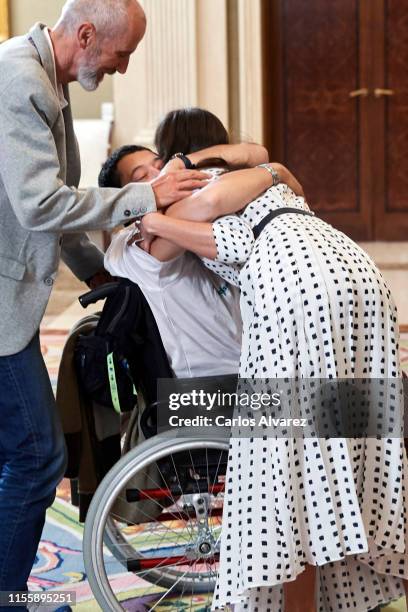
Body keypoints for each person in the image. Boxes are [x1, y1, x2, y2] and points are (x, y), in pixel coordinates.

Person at [134, 108, 408, 612]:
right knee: (362, 439)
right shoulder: (257, 176)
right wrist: (267, 171)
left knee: (291, 470)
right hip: (356, 272)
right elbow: (263, 159)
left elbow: (176, 247)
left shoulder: (197, 192)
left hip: (297, 288)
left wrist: (145, 212)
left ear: (175, 152)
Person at [0, 2, 209, 600]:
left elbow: (52, 207)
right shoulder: (20, 80)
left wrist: (96, 276)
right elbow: (42, 206)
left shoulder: (46, 79)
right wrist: (146, 196)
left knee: (13, 457)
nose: (121, 67)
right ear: (86, 34)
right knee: (39, 460)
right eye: (121, 54)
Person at [99, 136, 302, 378]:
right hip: (203, 389)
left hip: (254, 369)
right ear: (124, 199)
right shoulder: (133, 243)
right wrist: (275, 172)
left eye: (159, 164)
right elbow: (232, 236)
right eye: (142, 176)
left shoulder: (169, 219)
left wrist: (180, 162)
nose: (163, 176)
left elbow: (256, 153)